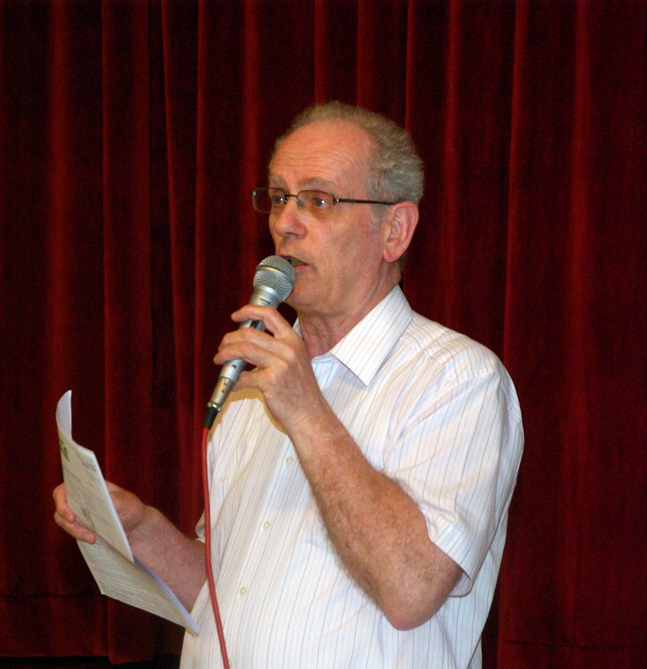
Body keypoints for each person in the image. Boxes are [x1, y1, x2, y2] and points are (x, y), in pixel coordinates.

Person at [53, 101, 523, 668]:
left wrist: (308, 414)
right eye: (278, 198)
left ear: (394, 230)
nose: (285, 223)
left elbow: (412, 588)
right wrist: (142, 531)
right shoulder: (253, 387)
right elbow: (225, 592)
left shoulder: (458, 379)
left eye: (318, 201)